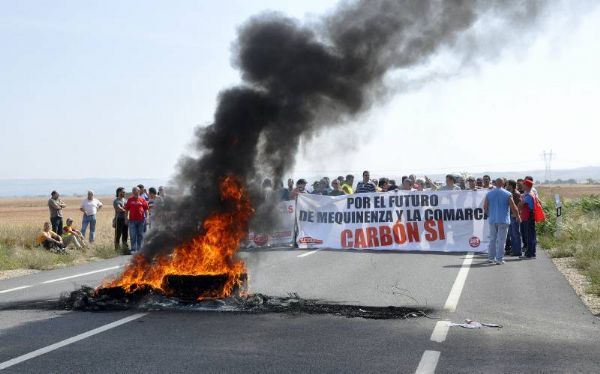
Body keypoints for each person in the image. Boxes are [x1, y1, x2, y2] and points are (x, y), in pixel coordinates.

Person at [483, 178, 521, 264]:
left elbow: (485, 206)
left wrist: (489, 214)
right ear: (503, 184)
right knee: (501, 240)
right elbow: (513, 206)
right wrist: (518, 216)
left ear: (495, 183)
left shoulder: (489, 194)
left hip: (493, 219)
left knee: (492, 239)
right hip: (503, 220)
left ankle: (491, 258)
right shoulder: (507, 194)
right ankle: (499, 259)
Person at [125, 186, 149, 253]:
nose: (135, 192)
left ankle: (139, 249)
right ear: (132, 192)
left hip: (141, 220)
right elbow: (126, 209)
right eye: (133, 191)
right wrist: (126, 218)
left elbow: (146, 209)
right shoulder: (130, 199)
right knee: (133, 234)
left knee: (140, 234)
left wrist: (146, 218)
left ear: (139, 191)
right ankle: (133, 249)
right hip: (132, 220)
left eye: (136, 191)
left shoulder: (142, 199)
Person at [520, 179, 537, 258]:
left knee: (529, 236)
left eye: (523, 185)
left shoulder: (528, 195)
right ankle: (531, 253)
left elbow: (521, 205)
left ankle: (529, 254)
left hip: (528, 217)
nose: (522, 186)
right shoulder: (531, 194)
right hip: (530, 216)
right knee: (531, 235)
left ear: (526, 186)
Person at [505, 180, 522, 256]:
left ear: (511, 185)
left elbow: (519, 204)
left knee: (515, 234)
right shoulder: (512, 193)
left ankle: (517, 251)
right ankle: (514, 249)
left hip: (514, 216)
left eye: (508, 184)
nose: (506, 185)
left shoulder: (516, 194)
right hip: (511, 215)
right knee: (512, 234)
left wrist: (516, 214)